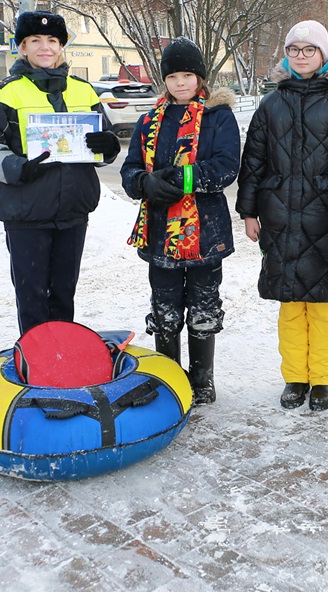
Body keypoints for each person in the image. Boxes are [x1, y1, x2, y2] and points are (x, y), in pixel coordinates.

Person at [237, 20, 328, 413]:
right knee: (290, 304)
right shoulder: (271, 104)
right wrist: (248, 210)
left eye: (310, 50)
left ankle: (325, 378)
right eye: (294, 49)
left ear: (324, 54)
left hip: (326, 218)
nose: (301, 56)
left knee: (322, 304)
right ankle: (295, 376)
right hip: (279, 216)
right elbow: (253, 161)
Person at [0, 10, 121, 334]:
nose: (45, 47)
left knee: (64, 296)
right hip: (26, 212)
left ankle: (62, 355)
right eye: (35, 40)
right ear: (22, 47)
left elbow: (102, 144)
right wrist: (17, 167)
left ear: (61, 46)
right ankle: (36, 358)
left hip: (73, 211)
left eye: (52, 40)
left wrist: (108, 146)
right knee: (32, 298)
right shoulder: (5, 92)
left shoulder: (84, 90)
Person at [121, 38, 240, 406]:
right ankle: (171, 380)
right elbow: (130, 170)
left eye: (187, 75)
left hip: (205, 232)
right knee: (165, 310)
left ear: (199, 77)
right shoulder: (149, 121)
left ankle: (202, 382)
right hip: (160, 233)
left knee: (203, 308)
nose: (180, 83)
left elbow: (226, 167)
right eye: (172, 76)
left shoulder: (218, 117)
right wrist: (145, 183)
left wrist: (182, 178)